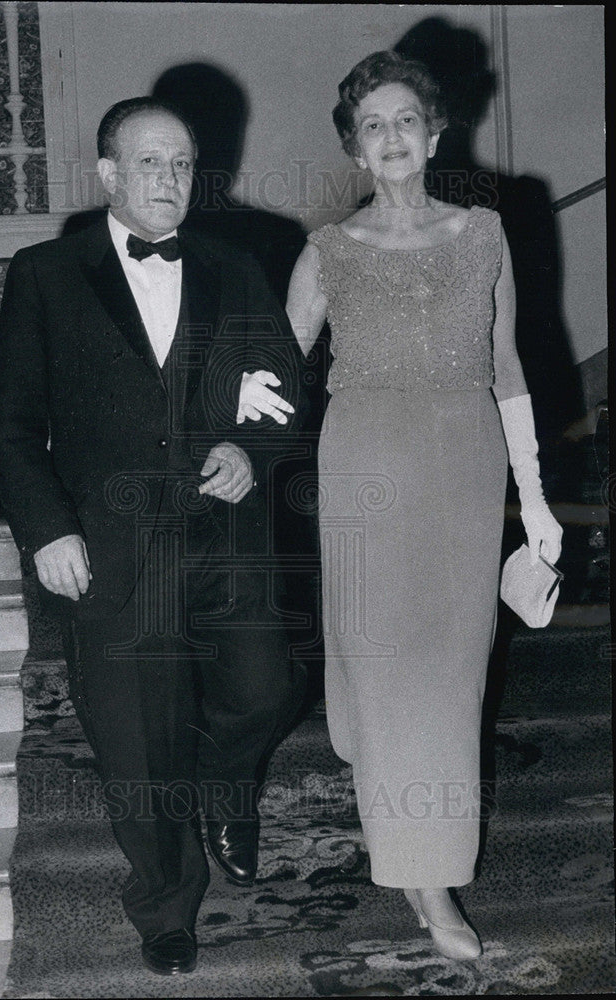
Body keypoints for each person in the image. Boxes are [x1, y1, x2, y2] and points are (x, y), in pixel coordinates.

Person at [240, 51, 562, 960]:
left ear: (433, 133)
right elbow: (276, 364)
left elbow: (506, 370)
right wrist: (244, 400)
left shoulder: (484, 233)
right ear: (354, 144)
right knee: (388, 676)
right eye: (371, 125)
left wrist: (533, 499)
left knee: (449, 676)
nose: (390, 137)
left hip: (464, 469)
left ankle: (420, 850)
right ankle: (428, 886)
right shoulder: (328, 252)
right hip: (366, 469)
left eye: (403, 121)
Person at [0, 96, 305, 977]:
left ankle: (223, 780)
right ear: (108, 174)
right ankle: (166, 910)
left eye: (182, 163)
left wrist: (253, 446)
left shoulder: (235, 264)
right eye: (149, 163)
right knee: (135, 740)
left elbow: (286, 387)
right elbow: (14, 425)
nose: (170, 180)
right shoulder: (46, 272)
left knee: (265, 685)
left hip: (224, 530)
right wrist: (47, 529)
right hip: (110, 542)